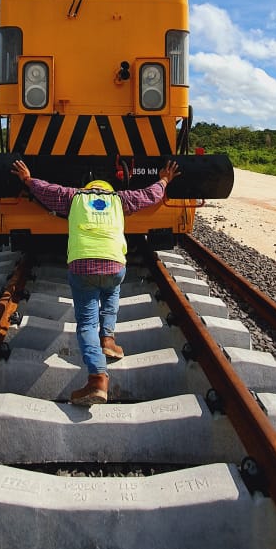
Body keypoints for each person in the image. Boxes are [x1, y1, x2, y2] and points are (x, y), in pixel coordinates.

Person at [10, 158, 180, 405]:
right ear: (107, 190)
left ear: (88, 188)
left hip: (83, 266)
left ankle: (97, 379)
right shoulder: (119, 200)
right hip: (114, 265)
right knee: (111, 296)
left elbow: (45, 190)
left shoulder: (73, 197)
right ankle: (108, 340)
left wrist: (26, 179)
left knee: (87, 323)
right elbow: (149, 195)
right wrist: (165, 179)